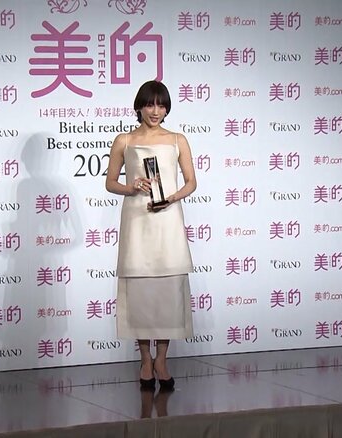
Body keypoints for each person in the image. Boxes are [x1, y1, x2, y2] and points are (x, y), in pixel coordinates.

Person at [105, 80, 197, 391]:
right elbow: (110, 182)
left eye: (161, 105)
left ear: (167, 108)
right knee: (141, 292)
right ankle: (145, 360)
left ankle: (162, 360)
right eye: (149, 104)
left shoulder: (177, 140)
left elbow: (191, 182)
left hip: (167, 219)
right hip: (137, 220)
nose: (155, 111)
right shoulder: (124, 140)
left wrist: (171, 198)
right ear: (139, 107)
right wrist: (130, 187)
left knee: (168, 292)